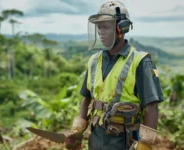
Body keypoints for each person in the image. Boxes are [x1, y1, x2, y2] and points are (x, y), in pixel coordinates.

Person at [65, 1, 164, 150]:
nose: (100, 32)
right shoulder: (93, 62)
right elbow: (86, 99)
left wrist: (145, 144)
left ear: (121, 28)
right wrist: (77, 132)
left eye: (105, 27)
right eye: (99, 27)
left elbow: (152, 107)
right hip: (96, 139)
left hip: (125, 141)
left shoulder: (141, 62)